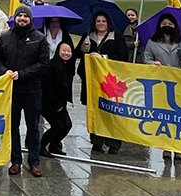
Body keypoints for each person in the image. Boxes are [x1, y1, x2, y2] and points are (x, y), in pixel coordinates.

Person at [0, 4, 49, 177]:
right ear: (15, 18)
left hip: (32, 89)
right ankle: (16, 161)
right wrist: (5, 71)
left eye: (25, 16)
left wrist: (23, 74)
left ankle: (34, 161)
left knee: (33, 127)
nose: (22, 19)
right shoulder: (5, 37)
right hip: (12, 91)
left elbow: (43, 63)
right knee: (13, 127)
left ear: (30, 19)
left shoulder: (39, 38)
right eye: (19, 16)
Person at [144, 12, 181, 164]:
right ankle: (167, 147)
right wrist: (152, 64)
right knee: (165, 117)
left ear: (175, 26)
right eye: (164, 24)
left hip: (180, 84)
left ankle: (179, 148)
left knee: (179, 117)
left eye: (170, 24)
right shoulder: (152, 43)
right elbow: (146, 58)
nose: (167, 26)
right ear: (160, 26)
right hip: (160, 84)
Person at [77, 12, 126, 154]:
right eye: (98, 21)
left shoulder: (116, 37)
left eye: (104, 21)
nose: (101, 23)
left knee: (111, 112)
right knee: (95, 111)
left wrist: (103, 57)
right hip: (92, 80)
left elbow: (123, 57)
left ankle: (113, 143)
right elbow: (77, 55)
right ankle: (96, 141)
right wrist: (84, 47)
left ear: (108, 22)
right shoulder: (88, 36)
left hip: (110, 82)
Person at [39, 43, 76, 157]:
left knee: (67, 125)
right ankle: (41, 146)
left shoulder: (67, 65)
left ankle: (54, 145)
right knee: (57, 126)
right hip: (49, 103)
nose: (66, 53)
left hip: (61, 102)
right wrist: (56, 104)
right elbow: (47, 86)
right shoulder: (52, 65)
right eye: (64, 51)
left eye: (69, 51)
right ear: (58, 51)